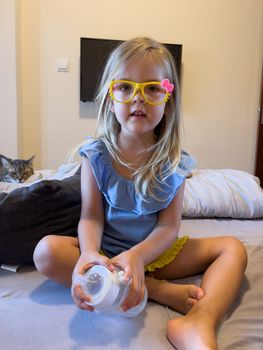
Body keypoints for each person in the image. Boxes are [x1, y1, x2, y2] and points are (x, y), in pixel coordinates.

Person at [33, 37, 247, 350]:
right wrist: (91, 254)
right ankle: (156, 289)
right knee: (46, 252)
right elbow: (91, 216)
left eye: (152, 88)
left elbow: (168, 228)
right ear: (110, 96)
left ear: (168, 99)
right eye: (125, 87)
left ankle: (200, 319)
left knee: (233, 248)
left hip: (156, 254)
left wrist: (137, 257)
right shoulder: (95, 156)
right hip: (108, 256)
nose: (138, 98)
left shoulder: (175, 163)